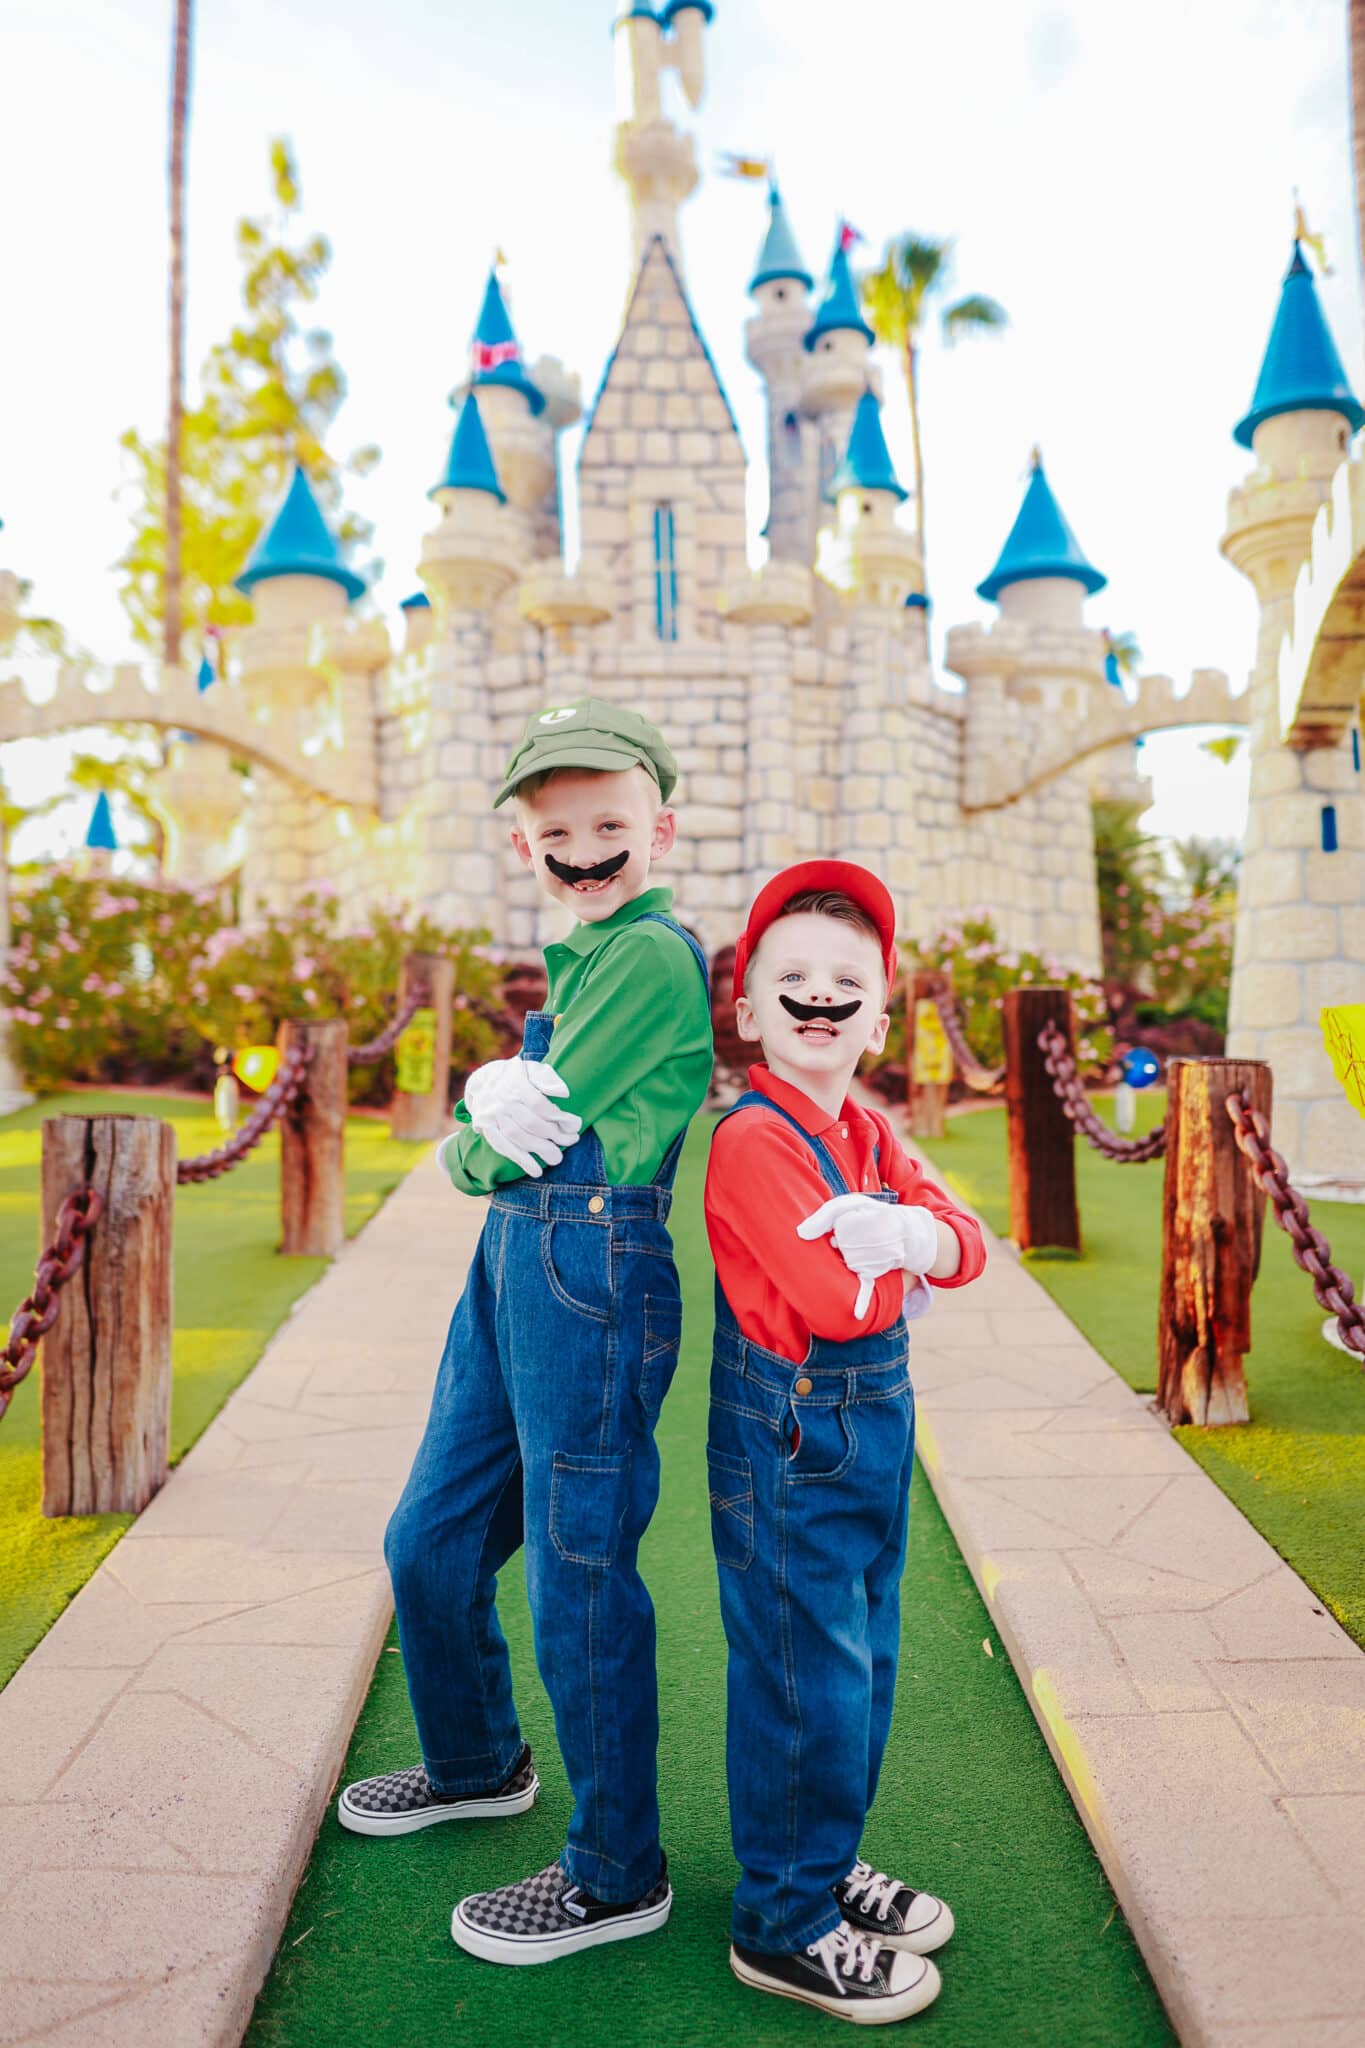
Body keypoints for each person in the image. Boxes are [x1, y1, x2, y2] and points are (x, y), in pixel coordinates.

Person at [337, 700, 713, 1967]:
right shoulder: (591, 953)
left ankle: (618, 1872)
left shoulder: (654, 954)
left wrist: (465, 1130)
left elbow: (500, 1145)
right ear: (523, 845)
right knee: (427, 1534)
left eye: (611, 822)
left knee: (577, 1564)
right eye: (558, 827)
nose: (586, 844)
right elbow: (519, 1122)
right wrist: (492, 1112)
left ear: (660, 827)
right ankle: (473, 1761)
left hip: (591, 1258)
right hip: (519, 1259)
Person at [704, 860, 986, 2022]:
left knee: (861, 1665)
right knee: (800, 1674)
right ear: (751, 1008)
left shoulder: (869, 1129)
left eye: (847, 982)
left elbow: (970, 1245)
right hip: (793, 1433)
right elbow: (840, 1303)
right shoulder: (752, 1140)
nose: (820, 998)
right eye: (794, 979)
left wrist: (914, 1233)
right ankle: (781, 1915)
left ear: (879, 1013)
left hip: (875, 1422)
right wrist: (908, 1249)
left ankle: (823, 1862)